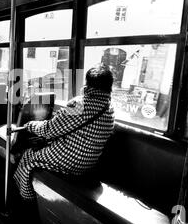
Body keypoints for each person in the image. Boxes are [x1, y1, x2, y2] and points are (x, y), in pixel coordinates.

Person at [13, 64, 115, 201]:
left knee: (28, 156)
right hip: (88, 163)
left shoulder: (79, 104)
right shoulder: (110, 107)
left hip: (69, 161)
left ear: (88, 84)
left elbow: (48, 130)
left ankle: (25, 200)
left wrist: (30, 125)